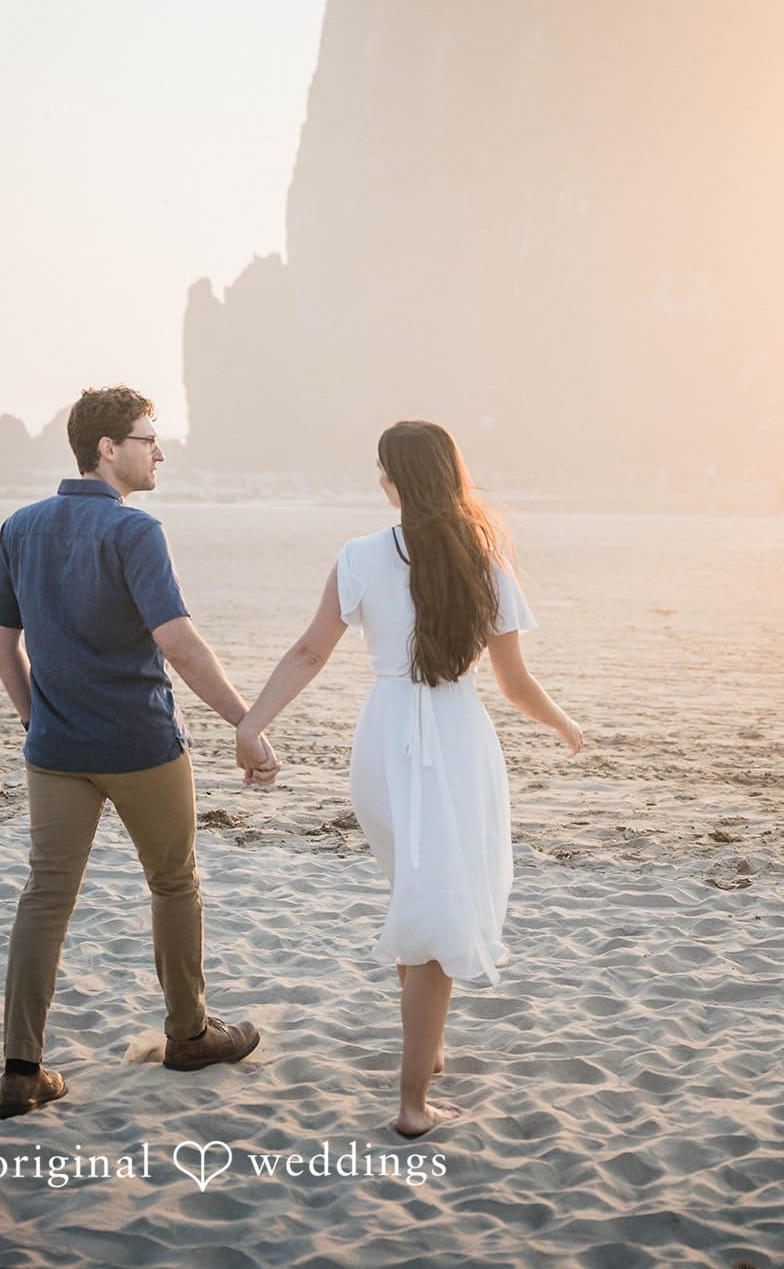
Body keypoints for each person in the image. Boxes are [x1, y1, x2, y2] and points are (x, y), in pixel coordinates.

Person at [235, 419, 584, 1137]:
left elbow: (308, 652)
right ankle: (412, 1104)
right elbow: (514, 683)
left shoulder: (360, 555)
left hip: (382, 740)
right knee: (434, 909)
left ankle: (430, 1052)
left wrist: (252, 723)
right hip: (454, 735)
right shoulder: (484, 559)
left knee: (415, 893)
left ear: (392, 479)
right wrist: (560, 723)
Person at [0, 385, 279, 1120]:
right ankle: (188, 1035)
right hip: (141, 746)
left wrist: (33, 718)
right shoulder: (134, 532)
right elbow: (176, 641)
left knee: (45, 898)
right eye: (148, 438)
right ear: (107, 449)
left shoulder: (20, 525)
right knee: (174, 884)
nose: (159, 451)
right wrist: (247, 722)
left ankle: (22, 1071)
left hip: (54, 752)